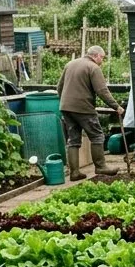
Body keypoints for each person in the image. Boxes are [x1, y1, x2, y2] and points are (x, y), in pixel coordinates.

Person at [56, 45, 122, 180]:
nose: (102, 61)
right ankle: (101, 166)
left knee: (73, 140)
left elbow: (59, 87)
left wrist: (65, 102)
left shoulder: (70, 64)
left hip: (66, 107)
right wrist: (116, 107)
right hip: (83, 108)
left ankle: (74, 172)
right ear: (95, 55)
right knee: (97, 136)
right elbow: (102, 91)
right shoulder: (93, 68)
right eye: (102, 58)